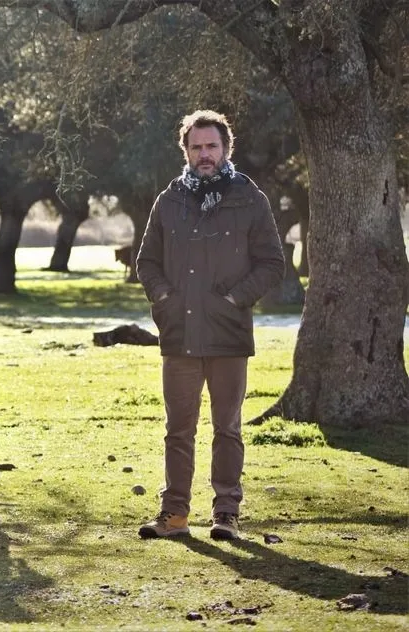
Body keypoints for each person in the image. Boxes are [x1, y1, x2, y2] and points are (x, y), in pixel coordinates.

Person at [135, 110, 284, 540]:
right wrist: (164, 299)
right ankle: (175, 516)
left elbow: (272, 263)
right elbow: (146, 261)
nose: (205, 154)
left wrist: (236, 298)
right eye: (196, 147)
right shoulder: (170, 200)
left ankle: (226, 516)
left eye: (212, 146)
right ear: (186, 150)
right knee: (178, 430)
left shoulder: (249, 198)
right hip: (179, 335)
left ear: (226, 149)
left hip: (228, 335)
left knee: (228, 428)